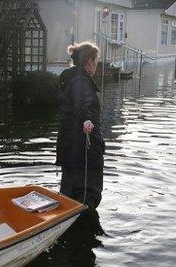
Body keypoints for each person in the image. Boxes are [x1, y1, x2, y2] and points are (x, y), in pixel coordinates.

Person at [56, 41, 105, 212]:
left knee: (70, 186)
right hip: (83, 146)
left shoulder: (69, 78)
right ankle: (83, 223)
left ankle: (67, 223)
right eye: (96, 60)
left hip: (69, 145)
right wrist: (86, 120)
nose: (97, 64)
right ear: (89, 61)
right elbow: (81, 103)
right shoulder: (81, 81)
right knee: (86, 191)